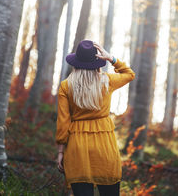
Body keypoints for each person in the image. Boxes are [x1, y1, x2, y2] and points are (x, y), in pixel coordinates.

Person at [56, 40, 135, 196]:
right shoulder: (107, 81)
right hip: (104, 145)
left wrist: (60, 152)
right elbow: (129, 74)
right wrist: (111, 59)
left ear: (76, 62)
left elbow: (63, 122)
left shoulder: (66, 85)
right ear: (97, 62)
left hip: (77, 146)